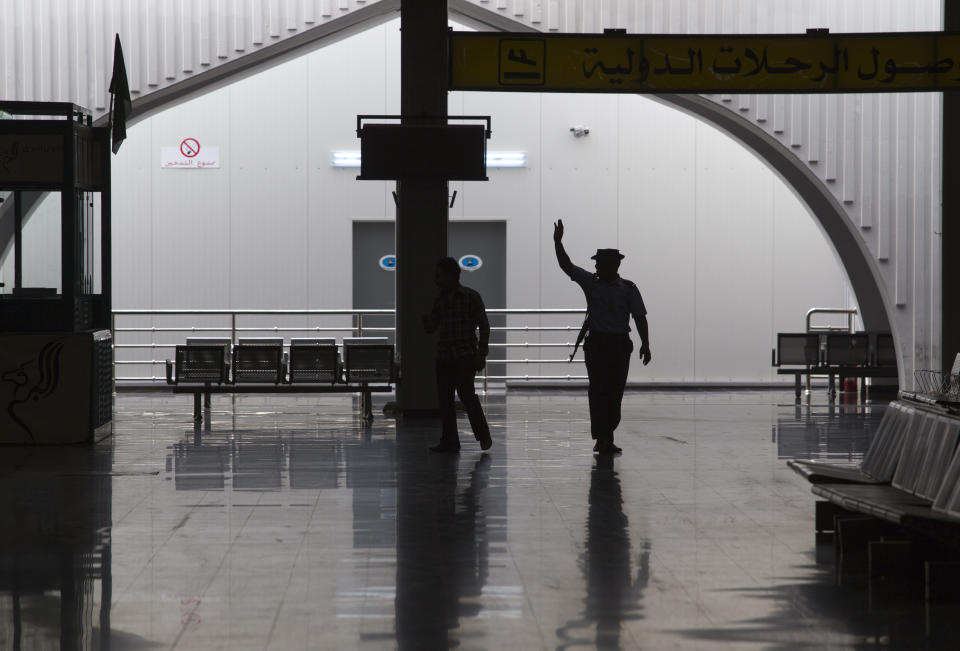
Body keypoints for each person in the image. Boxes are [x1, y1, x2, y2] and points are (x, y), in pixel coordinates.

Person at [553, 219, 651, 455]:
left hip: (618, 345)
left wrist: (646, 343)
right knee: (598, 391)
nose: (597, 268)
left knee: (615, 392)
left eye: (601, 264)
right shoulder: (591, 283)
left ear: (614, 265)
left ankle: (606, 435)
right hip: (597, 344)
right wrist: (558, 242)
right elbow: (567, 266)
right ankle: (603, 437)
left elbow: (639, 316)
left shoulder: (629, 288)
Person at [422, 257, 493, 453]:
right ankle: (452, 440)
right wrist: (426, 321)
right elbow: (432, 326)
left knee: (466, 395)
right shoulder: (441, 299)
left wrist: (481, 353)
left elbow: (484, 326)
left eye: (439, 275)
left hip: (464, 356)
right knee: (446, 400)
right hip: (446, 357)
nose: (436, 279)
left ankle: (479, 436)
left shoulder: (470, 297)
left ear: (450, 275)